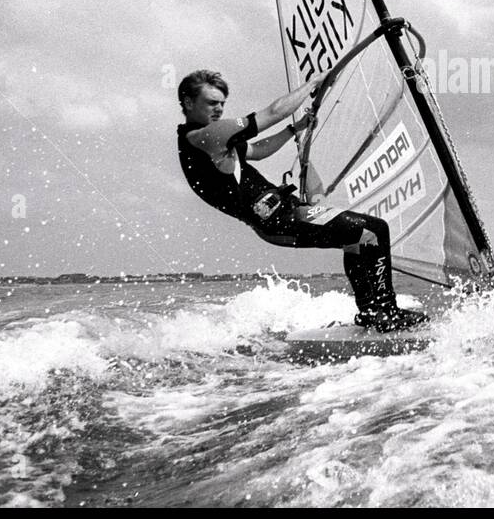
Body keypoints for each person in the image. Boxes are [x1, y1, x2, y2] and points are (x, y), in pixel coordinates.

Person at [175, 68, 427, 332]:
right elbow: (273, 112)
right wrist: (314, 83)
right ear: (189, 103)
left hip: (288, 211)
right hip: (280, 221)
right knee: (374, 229)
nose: (219, 109)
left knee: (356, 241)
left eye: (222, 104)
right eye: (212, 103)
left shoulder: (212, 145)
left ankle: (372, 313)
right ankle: (386, 312)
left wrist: (294, 129)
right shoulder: (202, 137)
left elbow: (259, 151)